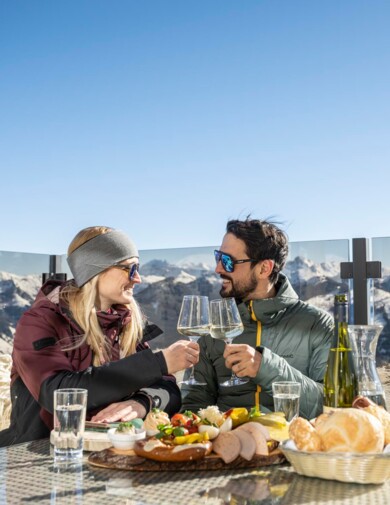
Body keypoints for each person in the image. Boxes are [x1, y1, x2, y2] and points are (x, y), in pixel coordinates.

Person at [0, 226, 199, 446]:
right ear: (96, 269)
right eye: (130, 269)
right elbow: (57, 393)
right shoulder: (40, 321)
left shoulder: (125, 320)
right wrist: (158, 363)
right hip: (39, 452)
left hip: (109, 450)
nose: (138, 279)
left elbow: (168, 388)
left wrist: (142, 402)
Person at [182, 218, 333, 420]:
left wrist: (266, 368)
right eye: (218, 257)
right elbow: (193, 406)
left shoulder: (318, 324)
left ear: (264, 269)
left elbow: (334, 406)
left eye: (228, 261)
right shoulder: (214, 330)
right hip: (228, 446)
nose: (218, 268)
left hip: (291, 446)